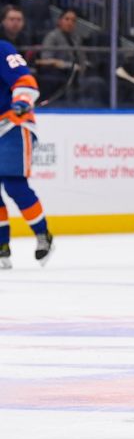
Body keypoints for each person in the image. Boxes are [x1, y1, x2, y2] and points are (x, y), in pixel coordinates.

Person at [0, 38, 53, 269]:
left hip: (14, 125)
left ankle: (43, 234)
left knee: (14, 184)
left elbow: (25, 79)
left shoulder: (2, 49)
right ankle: (2, 245)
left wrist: (21, 100)